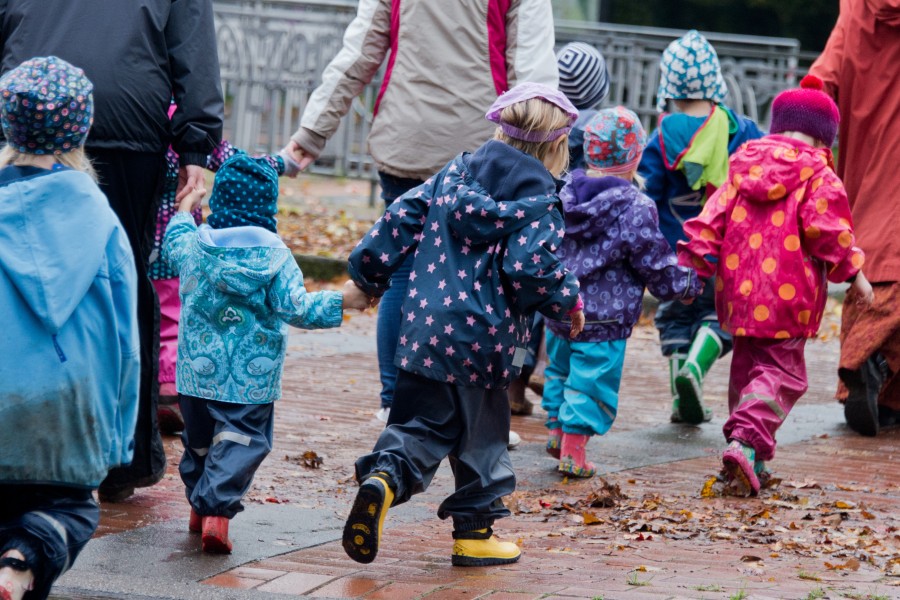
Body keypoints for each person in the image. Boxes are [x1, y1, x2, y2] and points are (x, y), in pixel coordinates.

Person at [282, 0, 558, 433]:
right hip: (485, 147)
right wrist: (544, 154)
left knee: (403, 272)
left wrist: (310, 136)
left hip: (406, 137)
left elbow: (358, 54)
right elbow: (535, 69)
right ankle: (477, 411)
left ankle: (396, 403)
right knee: (487, 279)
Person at [342, 83, 584, 567]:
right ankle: (474, 533)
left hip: (423, 332)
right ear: (557, 148)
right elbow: (530, 268)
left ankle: (385, 477)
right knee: (482, 442)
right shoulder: (540, 205)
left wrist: (368, 273)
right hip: (485, 343)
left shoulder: (451, 175)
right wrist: (568, 302)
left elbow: (399, 218)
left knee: (418, 426)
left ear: (498, 129)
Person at [0, 0, 225, 501]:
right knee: (122, 283)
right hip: (128, 122)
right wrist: (196, 145)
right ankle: (125, 459)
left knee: (12, 275)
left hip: (23, 117)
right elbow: (193, 48)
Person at [163, 153, 370, 554]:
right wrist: (343, 300)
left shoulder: (194, 245)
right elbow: (297, 308)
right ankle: (216, 514)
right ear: (268, 209)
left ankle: (197, 506)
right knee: (241, 440)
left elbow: (173, 242)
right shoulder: (276, 258)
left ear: (220, 203)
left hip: (196, 374)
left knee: (200, 441)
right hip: (250, 379)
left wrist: (186, 209)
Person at [677, 75, 873, 496]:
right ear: (825, 139)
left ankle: (752, 457)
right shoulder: (819, 176)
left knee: (746, 374)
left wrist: (694, 262)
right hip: (789, 301)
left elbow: (712, 217)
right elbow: (829, 233)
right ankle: (746, 442)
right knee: (782, 374)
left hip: (739, 297)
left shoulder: (742, 165)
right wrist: (854, 272)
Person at [0, 56, 139, 600]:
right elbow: (126, 340)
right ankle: (23, 557)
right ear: (81, 128)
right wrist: (119, 434)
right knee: (70, 509)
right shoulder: (100, 220)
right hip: (69, 406)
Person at [543, 107, 702, 478]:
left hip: (560, 307)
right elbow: (655, 263)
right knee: (591, 382)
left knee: (559, 371)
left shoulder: (565, 192)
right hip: (606, 316)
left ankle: (555, 430)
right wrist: (687, 286)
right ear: (635, 158)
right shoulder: (635, 206)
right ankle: (573, 450)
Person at [637, 30, 765, 425]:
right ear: (716, 84)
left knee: (675, 318)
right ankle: (697, 366)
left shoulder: (660, 138)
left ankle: (681, 396)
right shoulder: (739, 130)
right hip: (725, 253)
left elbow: (646, 196)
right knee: (720, 317)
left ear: (668, 88)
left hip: (676, 256)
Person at [150, 130, 301, 435]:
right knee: (171, 314)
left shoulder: (139, 116)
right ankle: (167, 386)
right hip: (183, 246)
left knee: (149, 313)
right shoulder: (192, 127)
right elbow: (234, 161)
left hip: (151, 237)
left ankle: (152, 384)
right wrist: (283, 162)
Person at [508, 40, 612, 417]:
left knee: (526, 310)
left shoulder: (547, 123)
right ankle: (544, 369)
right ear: (600, 89)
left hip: (539, 224)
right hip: (576, 238)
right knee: (560, 306)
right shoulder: (599, 129)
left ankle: (515, 389)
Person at [810, 0, 900, 436]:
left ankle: (871, 375)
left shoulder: (860, 9)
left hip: (869, 180)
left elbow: (822, 79)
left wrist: (795, 138)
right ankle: (876, 366)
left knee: (874, 271)